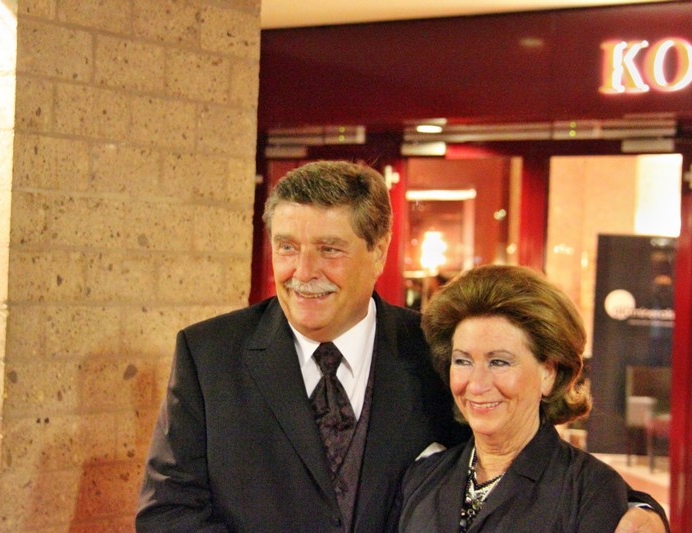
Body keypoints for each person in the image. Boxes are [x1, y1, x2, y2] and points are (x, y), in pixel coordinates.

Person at [136, 161, 667, 533]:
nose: (303, 272)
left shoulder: (437, 351)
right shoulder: (209, 355)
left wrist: (641, 511)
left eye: (329, 249)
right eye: (287, 247)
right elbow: (168, 513)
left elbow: (525, 458)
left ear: (379, 251)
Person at [397, 265, 670, 533]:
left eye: (499, 362)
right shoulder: (425, 476)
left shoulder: (590, 492)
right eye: (462, 361)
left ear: (549, 373)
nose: (477, 384)